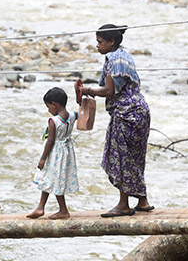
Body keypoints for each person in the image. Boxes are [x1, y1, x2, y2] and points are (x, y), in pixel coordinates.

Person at [77, 23, 154, 218]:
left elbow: (109, 91)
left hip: (126, 114)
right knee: (135, 157)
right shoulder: (124, 56)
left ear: (112, 42)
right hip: (139, 112)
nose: (97, 45)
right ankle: (142, 201)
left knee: (121, 157)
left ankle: (123, 205)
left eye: (100, 42)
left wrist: (86, 90)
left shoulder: (114, 59)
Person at [26, 87, 79, 220]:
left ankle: (63, 210)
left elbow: (50, 141)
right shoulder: (72, 116)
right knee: (49, 178)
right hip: (66, 152)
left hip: (54, 154)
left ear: (55, 104)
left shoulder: (53, 121)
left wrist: (43, 159)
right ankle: (40, 207)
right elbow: (82, 114)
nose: (48, 110)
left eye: (48, 106)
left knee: (54, 180)